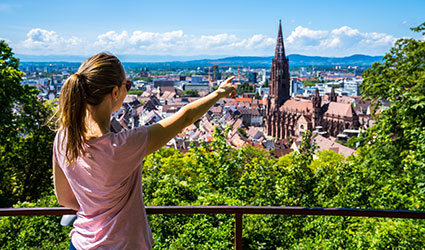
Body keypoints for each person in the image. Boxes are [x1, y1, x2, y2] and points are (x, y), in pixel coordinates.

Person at [52, 52, 236, 250]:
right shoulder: (124, 145)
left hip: (80, 244)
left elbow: (64, 198)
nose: (127, 90)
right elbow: (185, 117)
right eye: (127, 86)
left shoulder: (64, 137)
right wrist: (219, 93)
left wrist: (96, 209)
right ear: (115, 92)